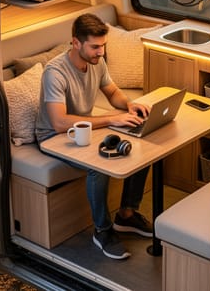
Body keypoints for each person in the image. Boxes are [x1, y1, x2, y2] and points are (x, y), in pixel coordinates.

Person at [35, 13, 153, 260]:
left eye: (103, 46)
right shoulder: (54, 72)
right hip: (55, 138)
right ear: (76, 43)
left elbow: (112, 92)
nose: (101, 52)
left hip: (85, 129)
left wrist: (129, 106)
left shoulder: (97, 62)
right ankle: (102, 230)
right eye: (95, 46)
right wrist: (111, 119)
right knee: (97, 167)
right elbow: (58, 123)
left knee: (142, 146)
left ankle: (127, 215)